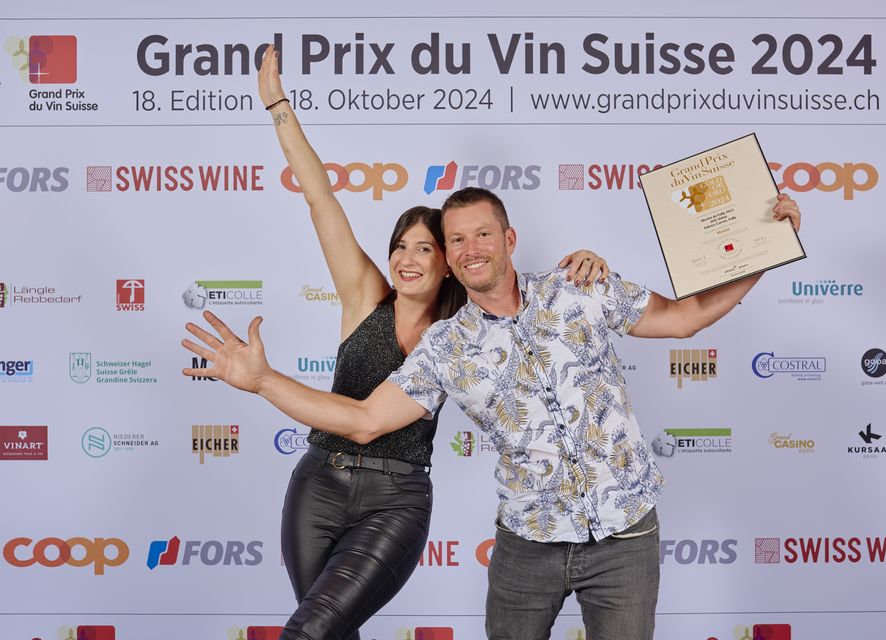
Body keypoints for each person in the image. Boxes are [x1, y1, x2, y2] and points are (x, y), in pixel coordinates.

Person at [184, 183, 800, 639]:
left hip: (625, 536)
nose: (470, 248)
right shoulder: (445, 346)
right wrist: (263, 381)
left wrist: (766, 249)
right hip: (526, 548)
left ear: (509, 239)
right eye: (456, 240)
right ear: (448, 258)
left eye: (483, 234)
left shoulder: (579, 287)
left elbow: (686, 318)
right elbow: (365, 420)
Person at [184, 45, 610, 640]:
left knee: (307, 631)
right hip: (318, 485)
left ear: (450, 261)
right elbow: (320, 197)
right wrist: (278, 106)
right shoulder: (365, 296)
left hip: (397, 499)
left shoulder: (465, 329)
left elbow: (532, 305)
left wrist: (586, 264)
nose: (407, 258)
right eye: (400, 245)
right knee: (330, 632)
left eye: (425, 248)